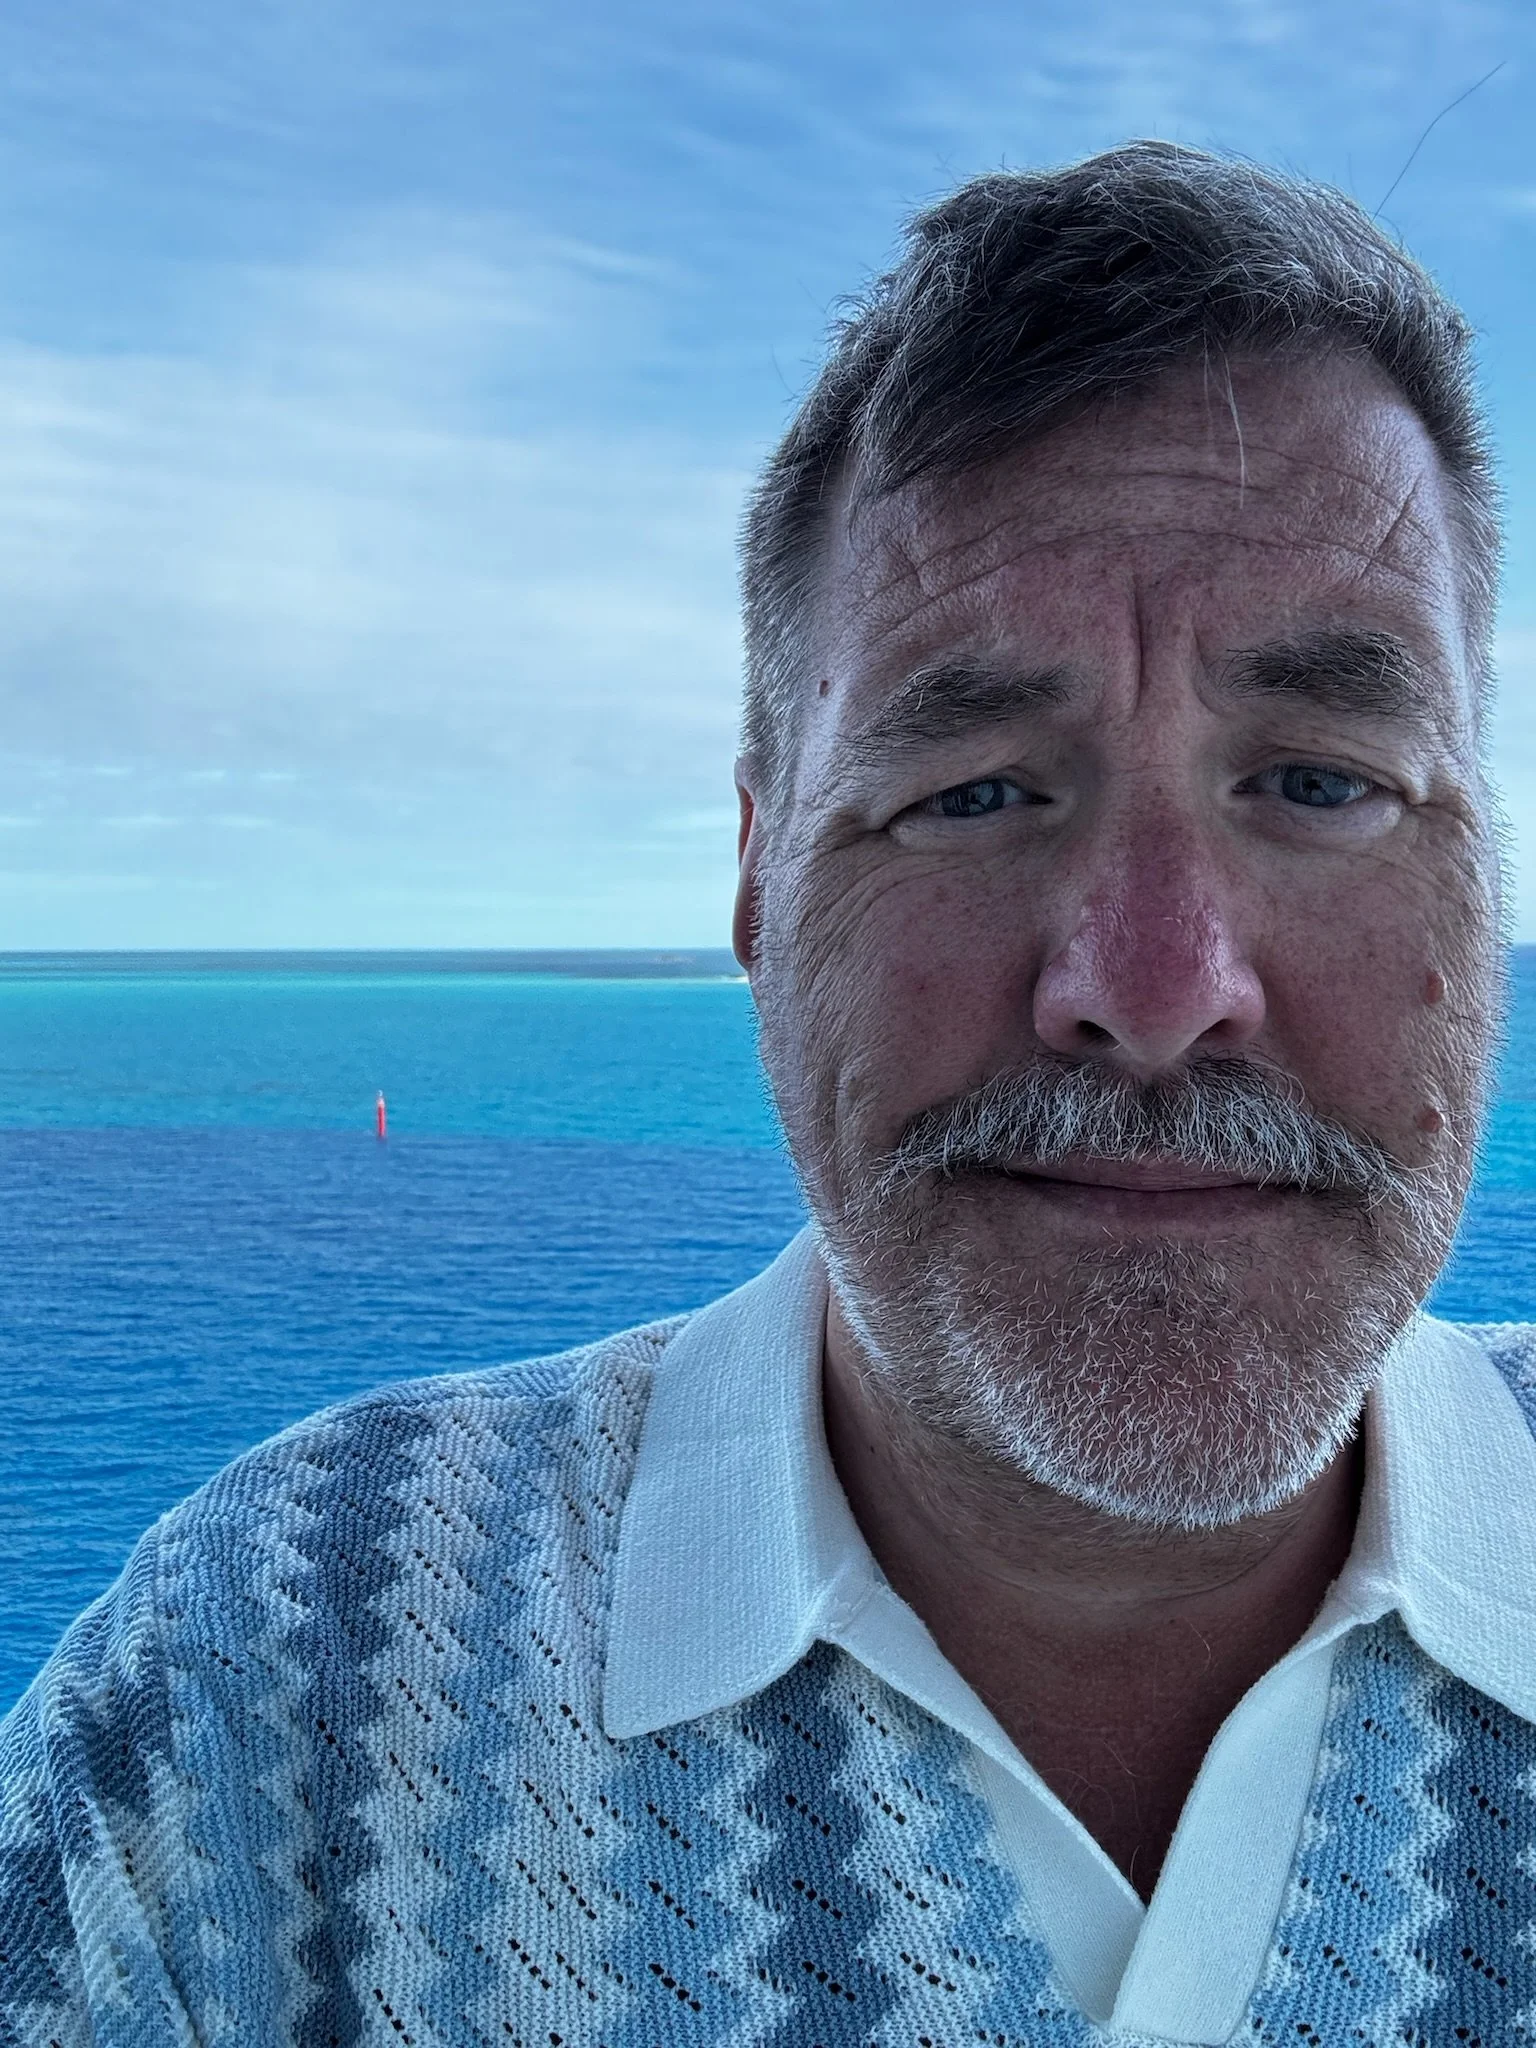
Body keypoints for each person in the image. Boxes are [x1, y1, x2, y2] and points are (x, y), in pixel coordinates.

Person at [1, 141, 1528, 2047]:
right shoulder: (263, 1692)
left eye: (1322, 782)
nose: (1151, 994)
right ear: (756, 878)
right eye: (974, 791)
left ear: (1492, 866)